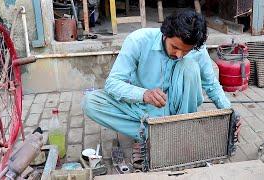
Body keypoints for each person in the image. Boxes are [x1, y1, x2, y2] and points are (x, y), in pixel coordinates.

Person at [82, 9, 242, 141]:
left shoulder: (197, 49)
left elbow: (211, 84)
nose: (179, 54)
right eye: (175, 47)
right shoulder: (138, 40)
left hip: (180, 111)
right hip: (144, 109)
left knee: (190, 66)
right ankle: (156, 134)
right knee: (91, 102)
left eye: (185, 51)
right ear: (165, 33)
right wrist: (144, 94)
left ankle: (179, 131)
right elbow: (113, 83)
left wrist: (230, 113)